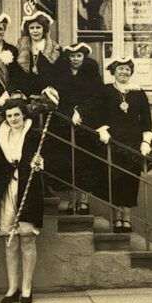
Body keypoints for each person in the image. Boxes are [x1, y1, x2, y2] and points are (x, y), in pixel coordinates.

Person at [0, 98, 45, 303]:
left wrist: (40, 162)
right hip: (7, 191)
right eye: (9, 115)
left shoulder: (35, 135)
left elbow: (46, 157)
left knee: (27, 239)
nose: (13, 119)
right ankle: (12, 287)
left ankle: (27, 288)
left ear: (24, 115)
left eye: (17, 115)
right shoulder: (2, 135)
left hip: (28, 190)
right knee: (10, 241)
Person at [96, 57, 152, 233]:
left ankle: (126, 219)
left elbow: (146, 120)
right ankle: (116, 219)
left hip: (133, 142)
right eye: (120, 69)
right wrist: (102, 129)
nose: (124, 72)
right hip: (112, 142)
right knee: (114, 179)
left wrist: (145, 141)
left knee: (130, 179)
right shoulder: (106, 91)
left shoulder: (138, 92)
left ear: (131, 72)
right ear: (114, 71)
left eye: (127, 69)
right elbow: (97, 112)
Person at [48, 43, 104, 214]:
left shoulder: (91, 72)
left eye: (79, 56)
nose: (75, 59)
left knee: (84, 160)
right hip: (64, 121)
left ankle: (84, 200)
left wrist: (80, 111)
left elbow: (97, 96)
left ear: (84, 57)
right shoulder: (62, 72)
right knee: (68, 160)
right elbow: (56, 92)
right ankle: (72, 200)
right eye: (72, 56)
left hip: (85, 123)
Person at [16, 11, 61, 101]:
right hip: (25, 94)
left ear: (44, 29)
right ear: (28, 30)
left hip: (46, 94)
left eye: (38, 27)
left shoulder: (55, 49)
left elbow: (58, 74)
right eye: (32, 28)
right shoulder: (20, 48)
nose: (35, 31)